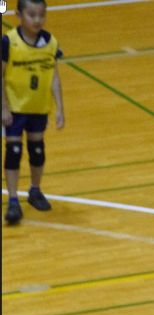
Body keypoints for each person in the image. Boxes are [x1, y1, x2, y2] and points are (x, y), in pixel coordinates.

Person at [2, 0, 64, 225]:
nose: (37, 20)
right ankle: (13, 200)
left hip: (38, 107)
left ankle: (35, 190)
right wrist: (3, 107)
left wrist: (60, 108)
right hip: (15, 108)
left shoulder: (50, 42)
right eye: (32, 15)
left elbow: (54, 77)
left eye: (41, 15)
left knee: (37, 150)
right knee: (14, 150)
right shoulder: (9, 42)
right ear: (18, 15)